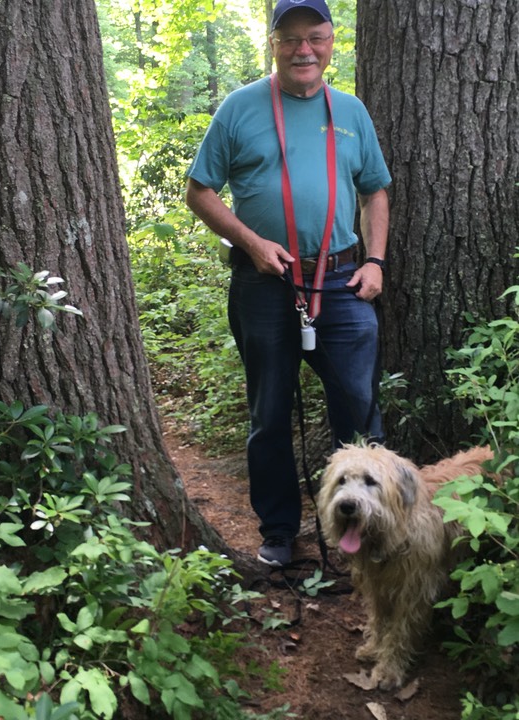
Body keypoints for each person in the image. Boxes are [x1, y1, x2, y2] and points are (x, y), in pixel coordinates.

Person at [186, 0, 391, 567]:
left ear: (331, 42)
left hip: (343, 283)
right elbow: (199, 190)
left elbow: (375, 190)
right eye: (291, 38)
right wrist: (251, 243)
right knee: (269, 414)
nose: (304, 49)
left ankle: (363, 533)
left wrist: (375, 261)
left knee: (358, 412)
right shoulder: (240, 108)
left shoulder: (350, 110)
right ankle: (279, 532)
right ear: (273, 44)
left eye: (316, 37)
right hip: (265, 285)